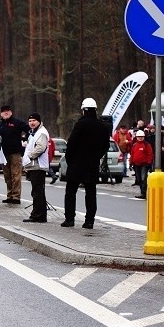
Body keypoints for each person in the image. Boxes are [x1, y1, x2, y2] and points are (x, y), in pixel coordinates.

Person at [61, 98, 110, 229]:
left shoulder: (80, 124)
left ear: (83, 110)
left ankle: (70, 219)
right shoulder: (102, 126)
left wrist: (69, 159)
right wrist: (96, 157)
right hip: (92, 163)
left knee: (71, 192)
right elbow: (105, 146)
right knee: (91, 193)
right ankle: (89, 221)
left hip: (77, 163)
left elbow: (72, 143)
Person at [0, 105, 30, 204]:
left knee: (16, 175)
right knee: (7, 176)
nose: (6, 113)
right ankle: (9, 195)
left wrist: (24, 138)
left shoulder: (17, 123)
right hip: (4, 154)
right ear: (1, 114)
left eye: (8, 111)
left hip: (15, 153)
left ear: (11, 112)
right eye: (4, 112)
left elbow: (29, 130)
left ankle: (16, 196)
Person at [21, 113, 49, 223]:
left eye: (34, 121)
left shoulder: (41, 132)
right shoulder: (34, 132)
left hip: (38, 165)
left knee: (37, 191)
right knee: (38, 191)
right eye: (30, 121)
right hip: (34, 165)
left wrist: (30, 156)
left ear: (39, 121)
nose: (31, 123)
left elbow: (41, 147)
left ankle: (37, 215)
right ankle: (40, 215)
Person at [129, 130, 153, 199]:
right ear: (136, 137)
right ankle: (142, 192)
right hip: (136, 164)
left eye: (141, 137)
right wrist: (131, 163)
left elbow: (150, 154)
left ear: (144, 137)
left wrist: (149, 163)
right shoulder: (134, 145)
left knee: (143, 179)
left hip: (144, 164)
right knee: (139, 179)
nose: (140, 138)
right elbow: (132, 154)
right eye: (139, 137)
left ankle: (143, 193)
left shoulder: (147, 145)